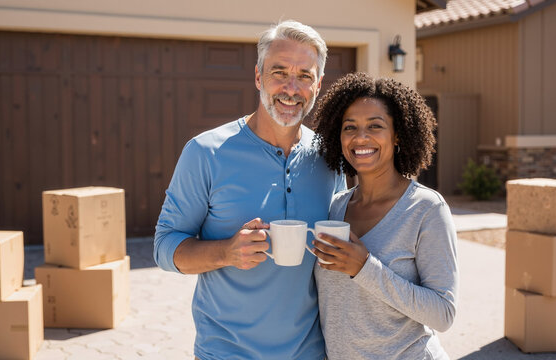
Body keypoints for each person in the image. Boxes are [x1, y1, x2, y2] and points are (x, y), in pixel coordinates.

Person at [154, 20, 345, 360]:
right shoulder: (205, 153)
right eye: (279, 72)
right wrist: (225, 252)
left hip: (312, 353)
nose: (291, 87)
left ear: (317, 86)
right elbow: (165, 247)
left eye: (304, 75)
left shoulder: (330, 157)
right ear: (258, 77)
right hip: (226, 353)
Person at [312, 72, 459, 360]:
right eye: (349, 127)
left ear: (398, 136)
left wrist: (365, 268)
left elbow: (443, 314)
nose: (360, 137)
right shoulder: (335, 208)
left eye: (375, 126)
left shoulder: (427, 209)